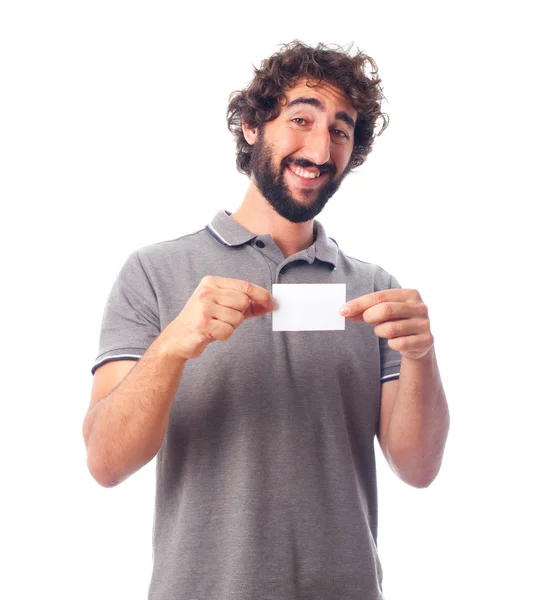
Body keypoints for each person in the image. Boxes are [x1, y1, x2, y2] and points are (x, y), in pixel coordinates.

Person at [83, 40, 450, 600]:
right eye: (301, 119)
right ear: (253, 126)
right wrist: (174, 344)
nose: (321, 146)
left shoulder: (376, 289)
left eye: (341, 130)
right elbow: (105, 462)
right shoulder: (154, 272)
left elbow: (419, 468)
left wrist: (422, 356)